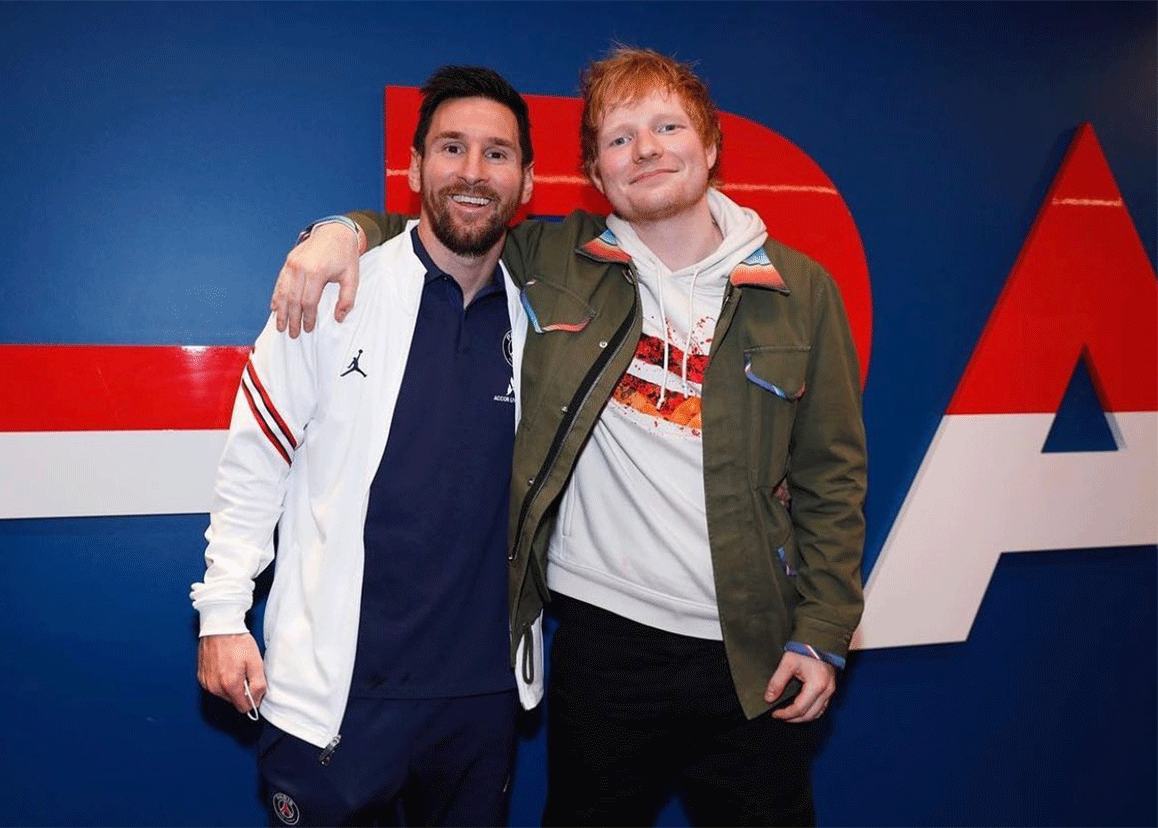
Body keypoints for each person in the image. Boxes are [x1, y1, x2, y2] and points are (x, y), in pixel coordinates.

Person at [275, 47, 866, 827]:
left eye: (667, 126)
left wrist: (822, 629)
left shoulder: (801, 290)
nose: (646, 149)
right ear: (595, 170)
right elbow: (441, 224)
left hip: (750, 653)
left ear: (712, 145)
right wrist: (338, 233)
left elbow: (832, 476)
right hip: (602, 647)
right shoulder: (554, 257)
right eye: (620, 138)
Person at [191, 65, 542, 828]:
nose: (473, 173)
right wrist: (221, 614)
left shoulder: (548, 318)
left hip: (482, 699)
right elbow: (255, 460)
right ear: (414, 168)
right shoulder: (332, 293)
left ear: (528, 180)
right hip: (337, 693)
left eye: (497, 153)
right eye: (451, 148)